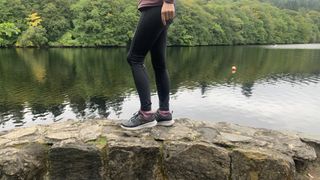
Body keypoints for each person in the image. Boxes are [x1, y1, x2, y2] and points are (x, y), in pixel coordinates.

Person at [121, 0, 176, 130]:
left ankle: (145, 114)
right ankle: (164, 113)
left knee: (134, 58)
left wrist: (168, 1)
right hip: (160, 8)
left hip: (157, 6)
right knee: (159, 63)